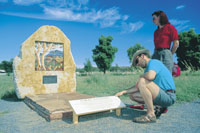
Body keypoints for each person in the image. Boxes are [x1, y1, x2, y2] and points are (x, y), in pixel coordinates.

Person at [115, 49, 176, 123]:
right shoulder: (147, 69)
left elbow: (150, 76)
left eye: (137, 61)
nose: (137, 65)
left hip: (168, 95)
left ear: (143, 56)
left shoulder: (153, 62)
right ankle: (157, 107)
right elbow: (137, 87)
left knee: (142, 80)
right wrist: (122, 92)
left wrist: (141, 76)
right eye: (135, 64)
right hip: (160, 94)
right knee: (132, 95)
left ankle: (150, 115)